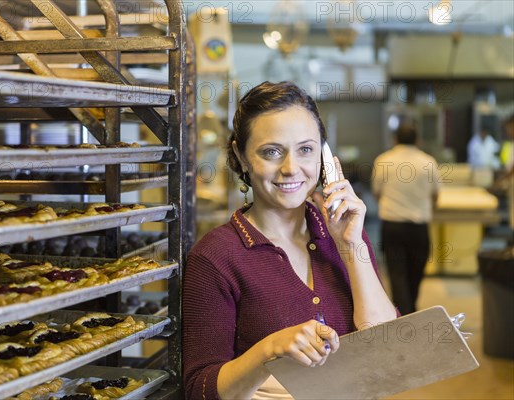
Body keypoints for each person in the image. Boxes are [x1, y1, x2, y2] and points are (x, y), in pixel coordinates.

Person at [183, 81, 397, 400]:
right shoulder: (214, 257)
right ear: (241, 156)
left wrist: (351, 245)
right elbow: (199, 389)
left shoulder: (345, 232)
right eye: (272, 152)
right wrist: (269, 349)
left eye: (306, 150)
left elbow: (384, 347)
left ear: (324, 159)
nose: (291, 168)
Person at [371, 124, 440, 316]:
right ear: (418, 140)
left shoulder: (383, 160)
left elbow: (377, 193)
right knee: (416, 273)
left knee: (397, 274)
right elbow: (435, 195)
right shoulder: (428, 162)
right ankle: (410, 312)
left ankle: (405, 314)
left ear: (395, 140)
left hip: (392, 226)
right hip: (419, 228)